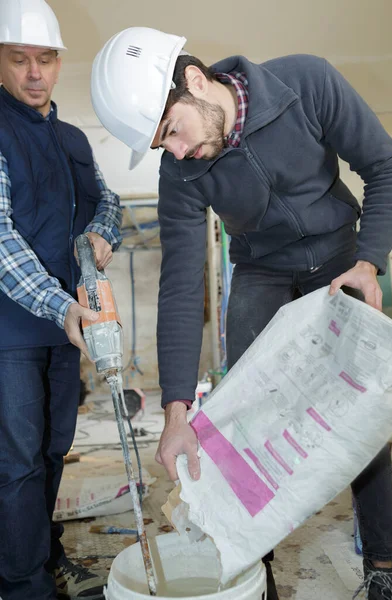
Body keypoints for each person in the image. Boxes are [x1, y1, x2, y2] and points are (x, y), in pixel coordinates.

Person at [91, 26, 392, 600]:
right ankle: (258, 571)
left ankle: (384, 563)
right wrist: (177, 406)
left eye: (172, 132)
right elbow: (181, 285)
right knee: (250, 416)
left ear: (193, 81)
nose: (176, 152)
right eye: (164, 147)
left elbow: (387, 166)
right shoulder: (180, 172)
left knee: (356, 410)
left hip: (339, 259)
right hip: (260, 271)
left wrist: (368, 262)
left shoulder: (305, 83)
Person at [0, 1, 122, 599]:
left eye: (44, 60)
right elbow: (0, 238)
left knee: (52, 450)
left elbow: (110, 201)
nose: (33, 73)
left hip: (62, 331)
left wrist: (104, 231)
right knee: (17, 462)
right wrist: (60, 305)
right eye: (18, 59)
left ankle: (40, 558)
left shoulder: (72, 138)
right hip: (11, 333)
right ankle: (20, 585)